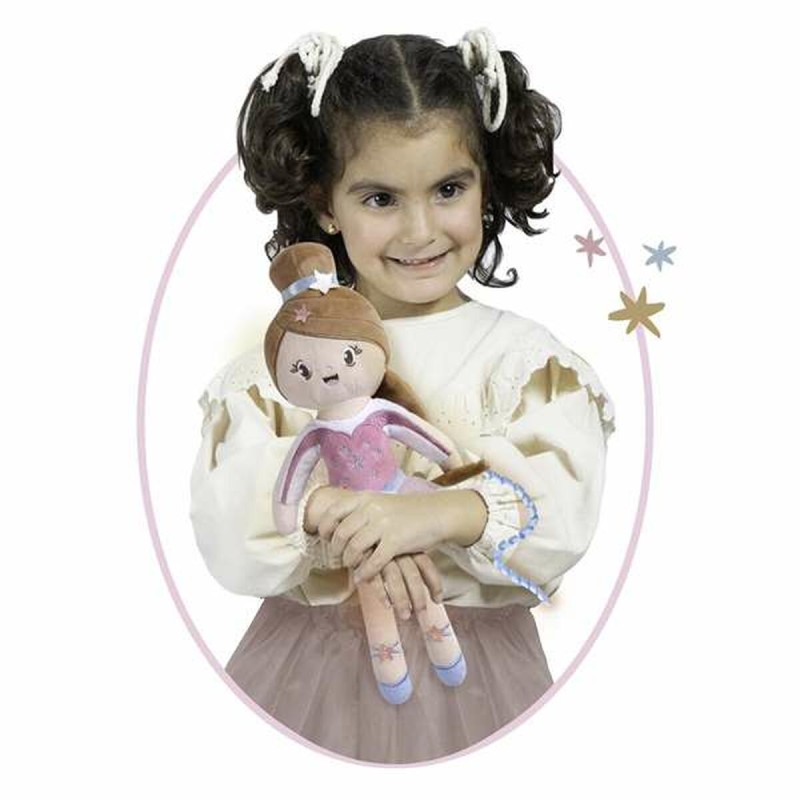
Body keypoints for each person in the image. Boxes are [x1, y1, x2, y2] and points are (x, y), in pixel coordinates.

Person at [190, 29, 615, 764]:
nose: (420, 231)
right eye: (381, 198)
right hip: (308, 674)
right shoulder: (286, 370)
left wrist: (432, 514)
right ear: (325, 202)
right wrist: (332, 510)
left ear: (485, 183)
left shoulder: (522, 361)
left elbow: (562, 521)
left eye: (449, 189)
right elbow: (226, 531)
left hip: (478, 680)